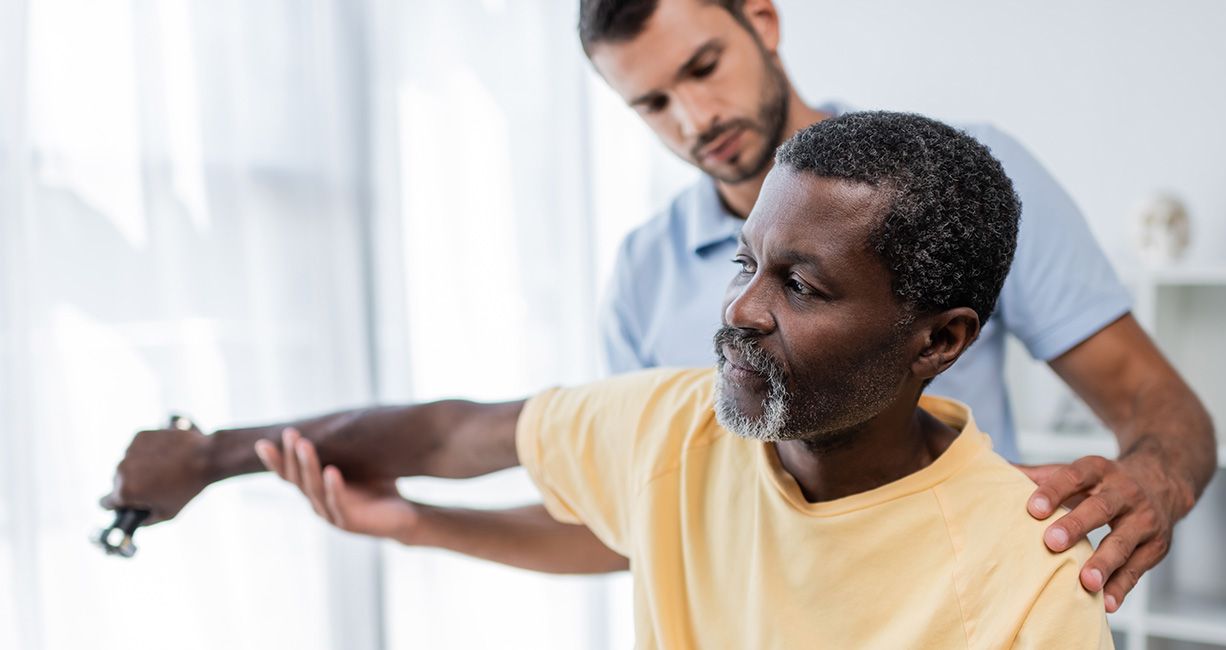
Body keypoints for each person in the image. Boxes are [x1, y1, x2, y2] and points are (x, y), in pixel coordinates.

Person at [104, 0, 1215, 614]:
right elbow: (627, 514)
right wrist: (409, 518)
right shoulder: (649, 293)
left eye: (704, 65)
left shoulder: (964, 189)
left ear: (763, 21)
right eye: (651, 102)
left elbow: (1150, 403)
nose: (695, 116)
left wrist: (1154, 481)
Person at [126, 111, 1118, 647]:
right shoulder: (674, 424)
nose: (740, 311)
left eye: (801, 285)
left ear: (936, 342)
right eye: (745, 263)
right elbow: (449, 434)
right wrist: (210, 455)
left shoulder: (1027, 577)